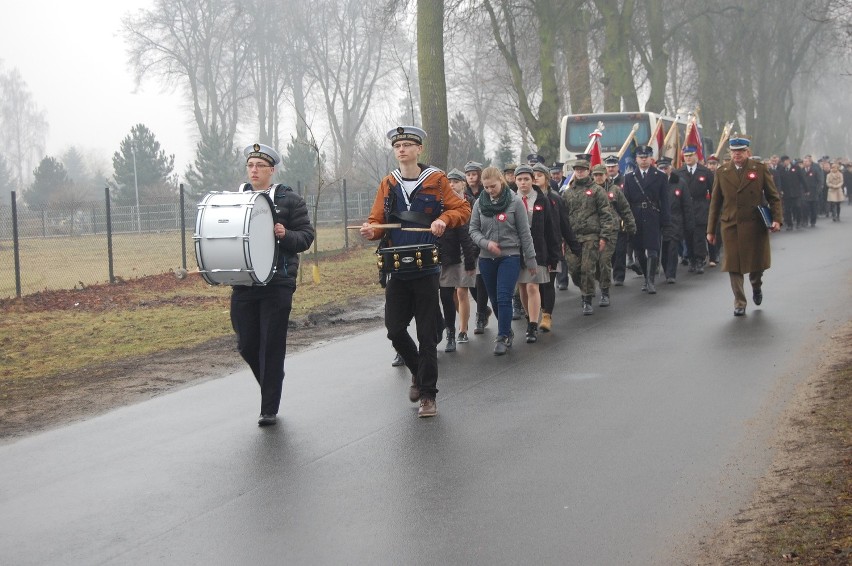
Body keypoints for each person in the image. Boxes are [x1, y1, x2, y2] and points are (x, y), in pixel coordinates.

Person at [361, 126, 470, 417]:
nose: (402, 149)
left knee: (426, 334)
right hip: (396, 267)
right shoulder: (388, 183)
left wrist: (444, 220)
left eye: (408, 144)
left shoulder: (436, 179)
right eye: (398, 146)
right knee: (395, 330)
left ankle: (428, 396)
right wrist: (371, 230)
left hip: (426, 266)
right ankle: (419, 373)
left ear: (419, 149)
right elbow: (376, 220)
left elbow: (463, 209)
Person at [231, 143, 315, 427]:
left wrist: (285, 233)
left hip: (278, 280)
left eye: (260, 166)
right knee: (246, 344)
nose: (254, 170)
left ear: (272, 170)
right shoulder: (238, 198)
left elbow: (305, 237)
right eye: (250, 166)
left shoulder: (289, 199)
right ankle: (272, 379)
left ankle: (268, 408)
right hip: (244, 282)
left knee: (271, 344)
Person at [707, 136, 782, 317]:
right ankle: (739, 301)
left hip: (755, 225)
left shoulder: (760, 169)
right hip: (731, 225)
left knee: (756, 265)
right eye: (734, 151)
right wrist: (710, 230)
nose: (737, 154)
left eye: (740, 151)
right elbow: (715, 203)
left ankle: (756, 286)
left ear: (747, 152)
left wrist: (777, 219)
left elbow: (773, 196)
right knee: (734, 265)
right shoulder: (722, 172)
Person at [468, 167, 538, 355]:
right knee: (495, 300)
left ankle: (502, 336)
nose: (490, 190)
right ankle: (507, 330)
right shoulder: (479, 203)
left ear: (501, 181)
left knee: (504, 296)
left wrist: (531, 260)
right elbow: (473, 229)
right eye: (486, 187)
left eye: (493, 186)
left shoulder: (515, 202)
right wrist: (486, 243)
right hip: (486, 257)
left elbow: (525, 233)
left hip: (509, 256)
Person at [562, 156, 616, 315]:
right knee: (574, 269)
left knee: (587, 268)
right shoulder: (568, 192)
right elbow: (563, 217)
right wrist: (562, 238)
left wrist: (604, 236)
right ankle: (586, 288)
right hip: (572, 237)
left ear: (588, 171)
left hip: (591, 236)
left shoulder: (597, 191)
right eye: (577, 170)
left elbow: (606, 215)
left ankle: (587, 299)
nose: (579, 173)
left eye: (582, 170)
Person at [515, 164, 561, 342]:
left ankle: (533, 325)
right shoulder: (512, 199)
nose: (523, 182)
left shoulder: (542, 200)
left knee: (533, 285)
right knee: (522, 288)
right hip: (517, 251)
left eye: (526, 179)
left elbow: (551, 229)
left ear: (532, 180)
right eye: (519, 179)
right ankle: (529, 317)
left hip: (538, 250)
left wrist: (553, 255)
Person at [439, 168, 478, 350]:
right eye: (449, 181)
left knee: (462, 292)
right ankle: (455, 325)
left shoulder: (472, 202)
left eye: (455, 181)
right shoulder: (443, 204)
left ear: (463, 183)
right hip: (450, 251)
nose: (452, 184)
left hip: (468, 250)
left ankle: (462, 330)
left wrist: (472, 254)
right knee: (449, 293)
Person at [622, 145, 670, 294]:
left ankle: (650, 281)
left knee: (653, 248)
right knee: (639, 250)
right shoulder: (629, 177)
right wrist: (626, 220)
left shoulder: (660, 176)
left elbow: (665, 200)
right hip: (636, 215)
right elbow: (626, 201)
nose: (643, 160)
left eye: (646, 157)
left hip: (653, 214)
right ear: (636, 159)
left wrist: (666, 220)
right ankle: (645, 276)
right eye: (641, 157)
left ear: (651, 158)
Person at [594, 162, 635, 300]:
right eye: (595, 175)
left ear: (606, 175)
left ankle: (605, 291)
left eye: (600, 175)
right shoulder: (588, 191)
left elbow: (625, 208)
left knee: (605, 260)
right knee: (594, 263)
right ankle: (596, 285)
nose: (598, 178)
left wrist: (630, 226)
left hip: (611, 230)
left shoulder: (614, 190)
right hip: (592, 231)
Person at [463, 161, 494, 334]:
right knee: (471, 282)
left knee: (480, 279)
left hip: (483, 240)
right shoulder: (464, 194)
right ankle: (483, 308)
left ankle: (481, 314)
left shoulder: (486, 192)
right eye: (468, 175)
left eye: (474, 174)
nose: (471, 177)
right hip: (467, 242)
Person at [657, 157, 694, 284]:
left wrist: (688, 223)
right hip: (659, 221)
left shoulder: (679, 182)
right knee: (663, 248)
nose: (663, 170)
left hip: (675, 220)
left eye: (665, 168)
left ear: (670, 168)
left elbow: (687, 205)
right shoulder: (654, 182)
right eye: (660, 168)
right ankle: (666, 268)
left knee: (672, 246)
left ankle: (671, 273)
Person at [677, 145, 714, 272]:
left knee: (699, 236)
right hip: (685, 208)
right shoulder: (679, 172)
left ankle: (700, 260)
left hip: (701, 207)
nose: (688, 158)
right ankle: (691, 259)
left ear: (696, 156)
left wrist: (712, 208)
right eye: (686, 156)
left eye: (690, 155)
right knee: (688, 236)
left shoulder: (705, 172)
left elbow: (713, 191)